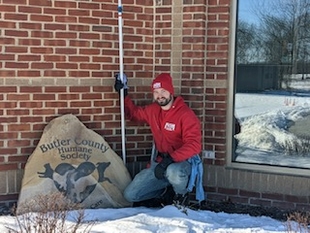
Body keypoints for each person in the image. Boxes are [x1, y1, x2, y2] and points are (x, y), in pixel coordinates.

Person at [114, 72, 205, 207]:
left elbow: (194, 145)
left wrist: (171, 159)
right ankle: (164, 193)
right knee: (130, 194)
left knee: (173, 172)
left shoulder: (185, 114)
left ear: (170, 92)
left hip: (183, 163)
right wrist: (124, 94)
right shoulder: (153, 110)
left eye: (163, 91)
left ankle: (181, 197)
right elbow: (133, 114)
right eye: (156, 92)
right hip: (161, 163)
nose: (159, 95)